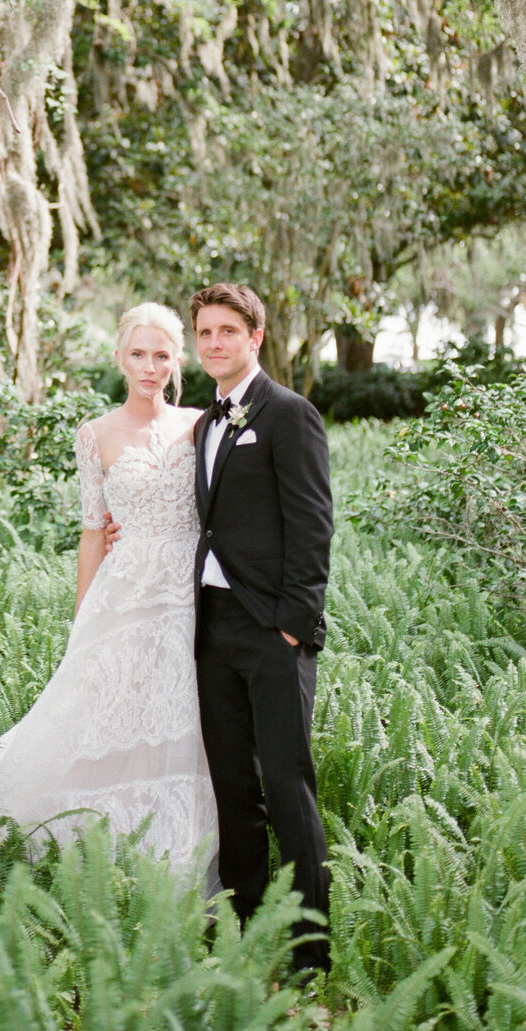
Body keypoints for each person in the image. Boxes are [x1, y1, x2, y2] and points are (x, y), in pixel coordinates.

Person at [0, 302, 218, 873]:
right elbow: (94, 533)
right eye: (138, 354)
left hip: (190, 598)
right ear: (119, 358)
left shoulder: (199, 425)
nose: (149, 367)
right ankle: (96, 843)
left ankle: (179, 849)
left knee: (182, 719)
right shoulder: (94, 435)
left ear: (178, 361)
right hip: (124, 596)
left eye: (161, 356)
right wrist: (84, 620)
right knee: (108, 713)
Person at [188, 281, 333, 976]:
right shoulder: (202, 424)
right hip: (212, 628)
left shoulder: (289, 414)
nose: (214, 342)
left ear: (256, 337)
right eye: (205, 331)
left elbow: (312, 525)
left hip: (273, 630)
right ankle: (242, 923)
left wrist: (293, 627)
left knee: (286, 782)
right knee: (232, 785)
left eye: (227, 330)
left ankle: (310, 947)